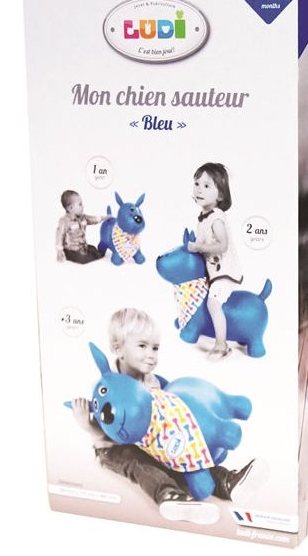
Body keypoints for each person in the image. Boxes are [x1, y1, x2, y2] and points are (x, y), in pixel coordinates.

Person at [72, 308, 265, 524]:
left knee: (184, 450)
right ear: (118, 348)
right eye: (142, 346)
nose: (151, 354)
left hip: (155, 443)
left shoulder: (152, 381)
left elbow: (174, 409)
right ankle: (168, 495)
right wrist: (87, 425)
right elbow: (109, 429)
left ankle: (227, 481)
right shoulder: (109, 387)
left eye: (155, 348)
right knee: (140, 464)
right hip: (115, 448)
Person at [187, 163, 243, 361]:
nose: (199, 189)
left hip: (224, 271)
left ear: (220, 195)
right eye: (197, 184)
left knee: (213, 303)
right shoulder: (203, 217)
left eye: (206, 186)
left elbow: (222, 245)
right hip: (213, 271)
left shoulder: (216, 218)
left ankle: (222, 345)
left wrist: (199, 247)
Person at [56, 190, 107, 264]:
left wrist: (103, 218)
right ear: (71, 208)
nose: (83, 206)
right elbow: (59, 235)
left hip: (82, 247)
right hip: (71, 250)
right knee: (83, 259)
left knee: (92, 248)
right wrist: (59, 251)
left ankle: (91, 253)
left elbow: (92, 219)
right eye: (80, 204)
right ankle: (73, 255)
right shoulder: (64, 221)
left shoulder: (83, 217)